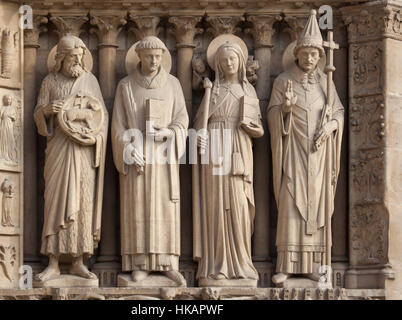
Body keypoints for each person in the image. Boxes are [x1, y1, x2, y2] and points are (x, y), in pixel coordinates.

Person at [267, 10, 344, 285]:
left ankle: (314, 266)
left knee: (318, 208)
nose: (311, 58)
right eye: (307, 53)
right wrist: (285, 110)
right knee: (292, 205)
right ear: (297, 53)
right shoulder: (282, 81)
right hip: (293, 153)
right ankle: (287, 265)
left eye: (315, 54)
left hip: (320, 155)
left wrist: (331, 127)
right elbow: (273, 115)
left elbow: (338, 113)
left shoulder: (326, 82)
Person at [112, 36, 188, 285]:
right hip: (139, 159)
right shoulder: (125, 86)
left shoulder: (174, 84)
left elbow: (182, 120)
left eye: (158, 56)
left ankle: (168, 263)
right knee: (139, 207)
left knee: (165, 206)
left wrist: (169, 132)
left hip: (165, 158)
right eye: (149, 56)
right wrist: (127, 147)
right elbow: (117, 126)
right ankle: (140, 262)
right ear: (139, 57)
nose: (154, 61)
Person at [34, 34, 108, 282]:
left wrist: (93, 133)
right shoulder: (50, 81)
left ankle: (78, 260)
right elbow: (38, 114)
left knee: (82, 202)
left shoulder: (90, 81)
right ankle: (53, 261)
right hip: (59, 149)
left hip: (83, 151)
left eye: (80, 57)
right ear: (61, 58)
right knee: (55, 201)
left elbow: (102, 119)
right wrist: (46, 111)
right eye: (72, 58)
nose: (77, 62)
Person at [193, 37, 264, 285]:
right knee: (216, 207)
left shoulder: (248, 91)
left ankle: (242, 263)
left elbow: (259, 130)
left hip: (240, 149)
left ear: (241, 62)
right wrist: (198, 138)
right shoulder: (213, 90)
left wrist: (249, 127)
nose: (229, 63)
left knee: (239, 206)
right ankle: (216, 265)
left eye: (233, 59)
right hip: (215, 148)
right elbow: (199, 124)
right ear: (218, 65)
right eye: (224, 60)